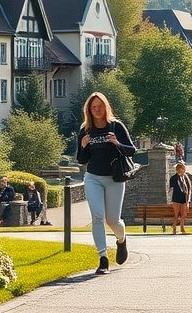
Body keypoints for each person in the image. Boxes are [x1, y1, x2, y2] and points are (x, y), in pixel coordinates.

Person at [76, 92, 135, 275]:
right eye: (94, 107)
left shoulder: (116, 126)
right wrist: (83, 146)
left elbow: (131, 150)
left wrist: (117, 143)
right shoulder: (85, 129)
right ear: (89, 110)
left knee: (113, 220)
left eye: (100, 106)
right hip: (93, 177)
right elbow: (81, 159)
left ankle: (121, 239)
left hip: (114, 179)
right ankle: (103, 259)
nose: (97, 110)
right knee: (97, 217)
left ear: (106, 107)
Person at [168, 161, 192, 234]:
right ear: (178, 169)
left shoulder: (186, 177)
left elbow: (189, 187)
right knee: (176, 214)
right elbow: (171, 189)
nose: (182, 170)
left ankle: (182, 227)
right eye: (181, 169)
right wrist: (170, 198)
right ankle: (174, 228)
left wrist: (188, 199)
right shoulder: (173, 178)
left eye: (183, 169)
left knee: (184, 214)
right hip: (176, 198)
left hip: (185, 198)